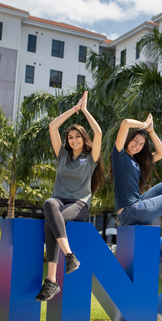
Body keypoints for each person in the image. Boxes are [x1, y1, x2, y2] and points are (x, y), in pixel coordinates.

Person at [36, 91, 104, 302]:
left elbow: (99, 133)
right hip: (59, 200)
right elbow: (52, 126)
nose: (73, 140)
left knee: (51, 225)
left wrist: (84, 111)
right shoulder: (62, 155)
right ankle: (69, 255)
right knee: (48, 203)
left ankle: (51, 281)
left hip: (79, 204)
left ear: (84, 139)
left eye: (77, 137)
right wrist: (73, 110)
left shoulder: (90, 158)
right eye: (70, 137)